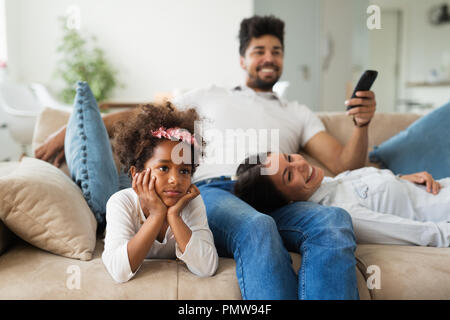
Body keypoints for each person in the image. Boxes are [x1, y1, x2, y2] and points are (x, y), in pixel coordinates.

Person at [35, 15, 377, 299]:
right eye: (259, 50)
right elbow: (149, 116)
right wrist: (67, 129)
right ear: (243, 59)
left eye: (276, 50)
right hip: (213, 191)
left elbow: (345, 164)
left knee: (332, 221)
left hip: (274, 194)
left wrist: (361, 125)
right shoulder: (211, 95)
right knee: (258, 227)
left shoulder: (298, 112)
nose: (269, 57)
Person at [102, 102, 219, 283]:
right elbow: (118, 271)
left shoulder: (191, 201)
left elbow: (207, 268)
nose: (175, 180)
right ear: (136, 173)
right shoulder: (121, 202)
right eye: (164, 168)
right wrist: (157, 215)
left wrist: (174, 216)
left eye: (184, 171)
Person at [234, 152, 450, 247]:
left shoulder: (330, 183)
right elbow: (426, 234)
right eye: (289, 175)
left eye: (289, 158)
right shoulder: (344, 212)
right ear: (287, 202)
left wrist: (401, 179)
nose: (299, 165)